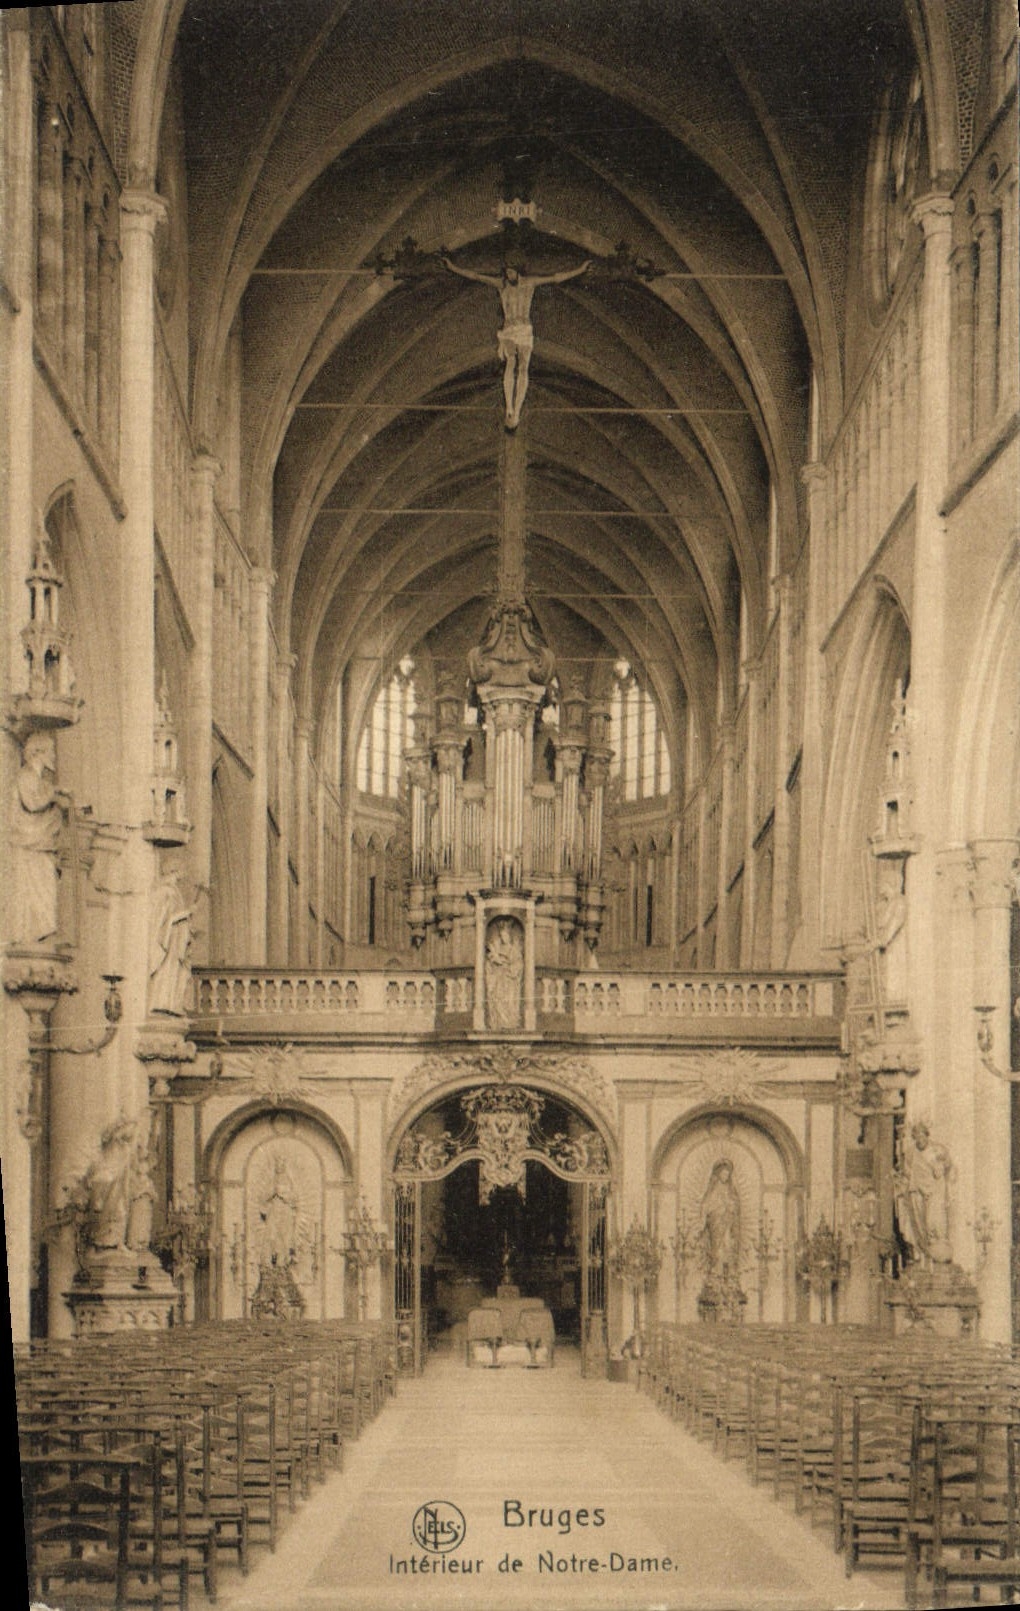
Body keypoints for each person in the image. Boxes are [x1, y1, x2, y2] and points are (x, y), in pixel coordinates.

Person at [443, 257, 590, 428]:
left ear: (518, 271)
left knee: (523, 367)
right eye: (507, 273)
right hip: (509, 330)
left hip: (524, 329)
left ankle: (517, 410)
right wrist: (452, 267)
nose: (509, 276)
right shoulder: (502, 285)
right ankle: (509, 407)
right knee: (510, 362)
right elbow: (476, 276)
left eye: (511, 272)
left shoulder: (529, 282)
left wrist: (580, 270)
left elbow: (555, 278)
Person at [11, 731, 68, 946]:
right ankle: (36, 933)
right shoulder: (25, 775)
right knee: (34, 891)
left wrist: (58, 795)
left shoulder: (40, 781)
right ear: (38, 752)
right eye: (50, 751)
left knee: (46, 889)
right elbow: (32, 803)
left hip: (41, 845)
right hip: (29, 843)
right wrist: (54, 795)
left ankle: (43, 932)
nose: (54, 756)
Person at [895, 1120, 954, 1266]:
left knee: (933, 1222)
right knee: (919, 1224)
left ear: (927, 1135)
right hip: (916, 1192)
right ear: (914, 1137)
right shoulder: (910, 1153)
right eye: (916, 1136)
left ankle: (938, 1254)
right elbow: (906, 1172)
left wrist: (941, 1166)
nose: (920, 1139)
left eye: (922, 1135)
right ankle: (925, 1254)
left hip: (934, 1192)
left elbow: (947, 1165)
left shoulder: (937, 1150)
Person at [149, 867, 194, 1016]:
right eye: (178, 872)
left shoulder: (174, 891)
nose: (181, 876)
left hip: (177, 939)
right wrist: (186, 913)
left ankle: (171, 1005)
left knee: (175, 972)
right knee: (166, 970)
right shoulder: (165, 891)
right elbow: (165, 919)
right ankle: (162, 1003)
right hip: (170, 939)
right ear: (172, 871)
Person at [699, 1158, 741, 1280]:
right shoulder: (712, 1189)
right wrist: (704, 1219)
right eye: (723, 1173)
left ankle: (727, 1271)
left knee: (728, 1245)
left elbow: (736, 1205)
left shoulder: (731, 1190)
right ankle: (715, 1271)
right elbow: (705, 1205)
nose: (725, 1176)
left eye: (727, 1174)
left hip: (728, 1223)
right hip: (715, 1223)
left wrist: (731, 1207)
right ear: (718, 1174)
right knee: (716, 1246)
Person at [485, 917, 524, 1029]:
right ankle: (498, 1021)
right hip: (499, 979)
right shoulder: (498, 948)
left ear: (509, 936)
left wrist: (508, 967)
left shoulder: (514, 950)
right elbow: (490, 963)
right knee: (498, 999)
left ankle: (510, 1021)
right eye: (501, 936)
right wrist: (495, 961)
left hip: (510, 980)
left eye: (505, 936)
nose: (503, 938)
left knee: (510, 1001)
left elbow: (518, 964)